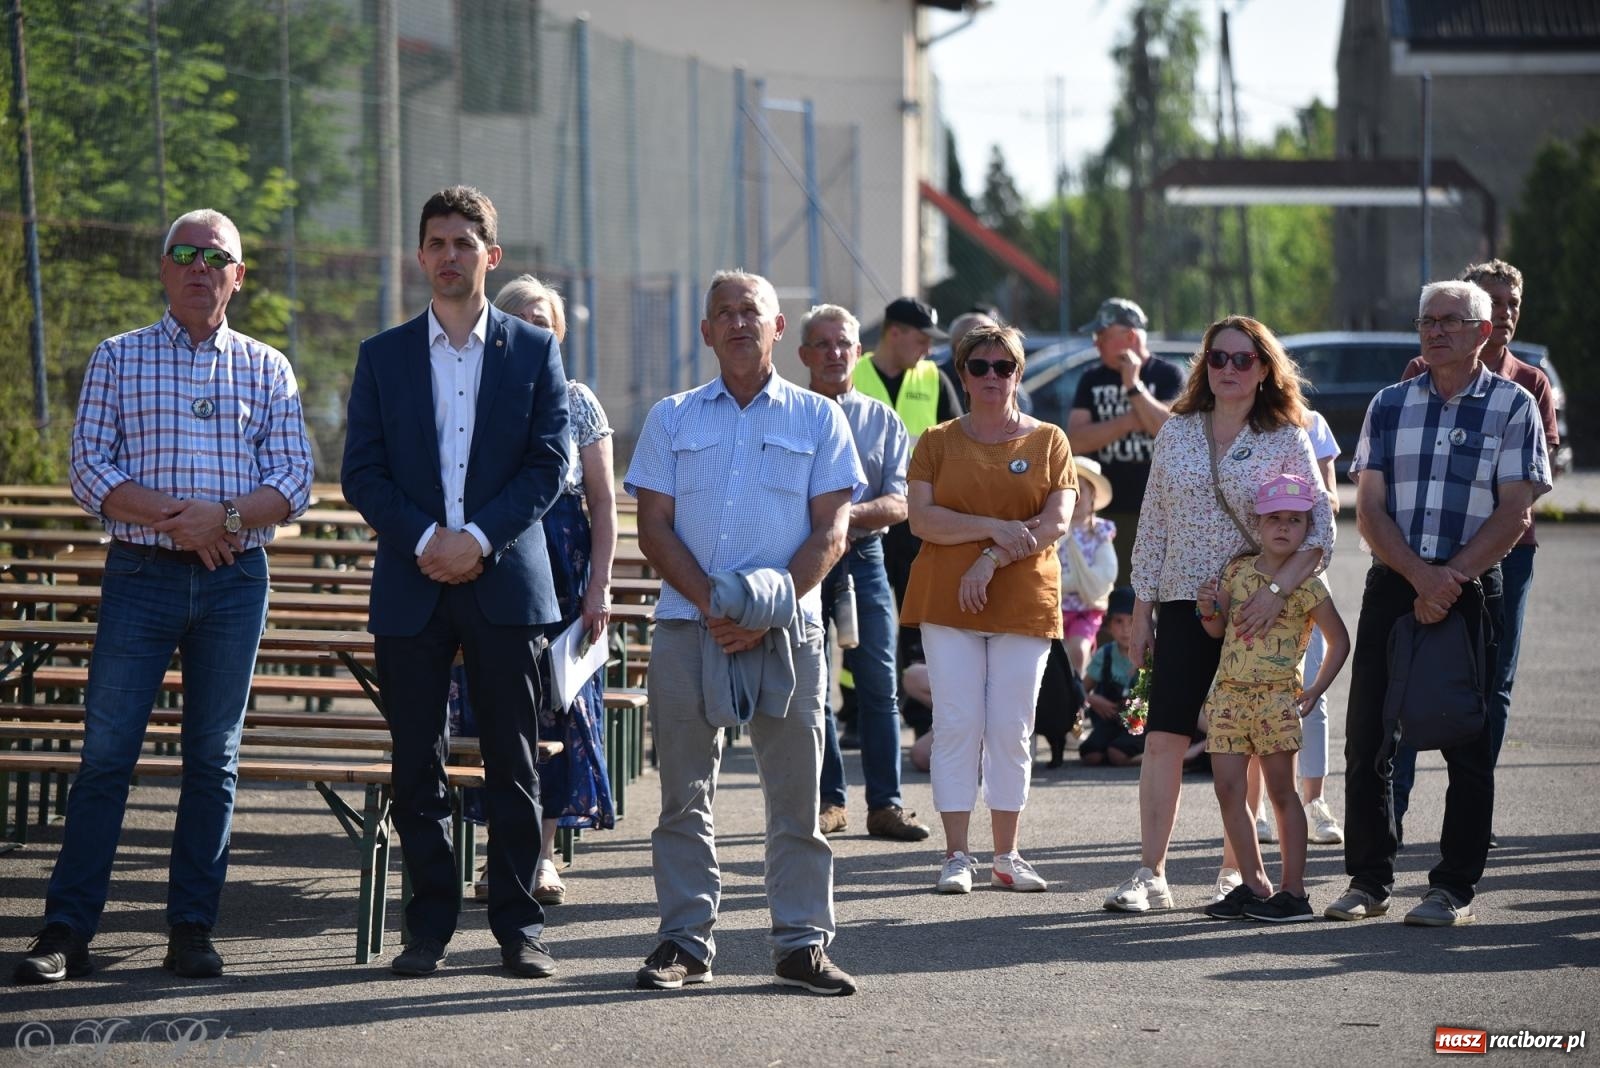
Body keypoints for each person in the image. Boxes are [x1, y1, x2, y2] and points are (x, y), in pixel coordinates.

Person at [13, 209, 314, 985]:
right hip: (141, 576)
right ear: (162, 268)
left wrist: (230, 519)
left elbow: (293, 479)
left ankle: (191, 929)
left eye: (216, 257)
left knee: (213, 760)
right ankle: (65, 930)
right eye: (183, 253)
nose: (198, 267)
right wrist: (182, 522)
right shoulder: (117, 357)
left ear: (238, 278)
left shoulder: (268, 368)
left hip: (234, 581)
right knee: (106, 758)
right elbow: (89, 468)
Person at [341, 187, 571, 979]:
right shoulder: (383, 356)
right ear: (420, 257)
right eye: (435, 242)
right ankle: (428, 927)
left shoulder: (535, 352)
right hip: (413, 583)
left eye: (463, 243)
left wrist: (474, 540)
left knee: (512, 763)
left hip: (503, 581)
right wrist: (426, 540)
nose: (448, 256)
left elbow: (549, 463)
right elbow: (361, 472)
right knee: (417, 766)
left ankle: (518, 929)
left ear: (490, 257)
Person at [626, 270, 863, 996]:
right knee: (682, 796)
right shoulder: (671, 418)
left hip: (789, 633)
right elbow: (654, 527)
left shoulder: (819, 420)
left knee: (796, 798)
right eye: (723, 313)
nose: (737, 322)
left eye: (751, 311)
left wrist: (765, 609)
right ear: (705, 332)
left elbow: (832, 530)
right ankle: (684, 943)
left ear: (778, 327)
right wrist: (712, 608)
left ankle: (799, 945)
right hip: (686, 628)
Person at [1327, 280, 1549, 927]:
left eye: (1452, 320)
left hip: (1474, 584)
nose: (1436, 330)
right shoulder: (1389, 404)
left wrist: (1447, 578)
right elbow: (1367, 510)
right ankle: (1368, 881)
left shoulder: (1513, 406)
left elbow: (1516, 511)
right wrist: (1420, 577)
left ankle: (1452, 888)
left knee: (1468, 743)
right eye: (1427, 320)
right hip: (1395, 581)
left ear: (1483, 332)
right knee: (1369, 737)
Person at [1104, 315, 1333, 914]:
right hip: (1182, 600)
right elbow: (1152, 525)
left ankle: (1238, 874)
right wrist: (1143, 611)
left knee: (1247, 743)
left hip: (1259, 609)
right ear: (1204, 366)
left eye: (1243, 359)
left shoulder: (1288, 432)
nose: (1229, 369)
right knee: (1163, 736)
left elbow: (1322, 529)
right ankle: (1150, 872)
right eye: (1218, 358)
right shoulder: (1178, 430)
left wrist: (1275, 592)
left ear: (1264, 369)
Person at [901, 323, 1076, 895]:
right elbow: (924, 520)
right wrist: (997, 529)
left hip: (1023, 601)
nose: (993, 377)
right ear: (963, 374)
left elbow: (1054, 523)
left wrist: (986, 559)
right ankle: (957, 856)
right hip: (944, 601)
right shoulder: (935, 441)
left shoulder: (1050, 441)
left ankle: (1007, 854)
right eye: (981, 367)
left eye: (1005, 367)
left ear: (1019, 373)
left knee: (1010, 727)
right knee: (957, 724)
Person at [1391, 259, 1558, 849]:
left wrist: (1474, 558)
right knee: (1407, 682)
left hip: (1506, 557)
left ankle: (1470, 816)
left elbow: (1529, 486)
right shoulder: (1418, 374)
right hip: (1424, 557)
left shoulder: (1529, 385)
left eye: (1512, 302)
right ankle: (1392, 814)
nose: (1506, 312)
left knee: (1493, 684)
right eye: (1493, 301)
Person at [472, 274, 618, 904]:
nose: (536, 330)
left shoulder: (579, 399)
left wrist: (600, 589)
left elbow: (606, 507)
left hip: (563, 566)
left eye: (546, 321)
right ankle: (494, 854)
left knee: (557, 710)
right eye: (523, 319)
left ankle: (542, 856)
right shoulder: (476, 390)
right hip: (493, 558)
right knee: (491, 710)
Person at [796, 303, 930, 843]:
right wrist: (826, 529)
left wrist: (841, 519)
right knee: (813, 683)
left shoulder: (881, 419)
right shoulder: (788, 411)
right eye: (822, 344)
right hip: (803, 558)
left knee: (879, 682)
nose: (833, 354)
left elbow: (900, 502)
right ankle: (830, 801)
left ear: (859, 351)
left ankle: (886, 805)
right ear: (804, 354)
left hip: (865, 559)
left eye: (843, 343)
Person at [1195, 474, 1351, 923]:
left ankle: (1294, 892)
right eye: (1275, 519)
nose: (1284, 528)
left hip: (1276, 700)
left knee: (1283, 791)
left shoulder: (1308, 585)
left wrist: (1315, 691)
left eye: (1295, 520)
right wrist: (1208, 607)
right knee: (1228, 790)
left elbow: (1339, 642)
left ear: (1308, 528)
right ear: (1258, 523)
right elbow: (1217, 630)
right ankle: (1254, 883)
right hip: (1228, 697)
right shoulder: (1237, 571)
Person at [1248, 408, 1344, 848]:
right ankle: (1256, 806)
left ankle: (1315, 800)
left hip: (1305, 565)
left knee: (1309, 691)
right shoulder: (1237, 420)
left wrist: (1295, 505)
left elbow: (1332, 498)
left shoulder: (1311, 423)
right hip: (1256, 562)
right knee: (1251, 687)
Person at [852, 297, 964, 609]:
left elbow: (957, 447)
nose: (928, 350)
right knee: (864, 612)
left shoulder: (933, 379)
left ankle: (915, 660)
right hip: (867, 515)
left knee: (918, 610)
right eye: (921, 340)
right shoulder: (852, 376)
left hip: (918, 514)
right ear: (894, 334)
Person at [1067, 298, 1185, 584]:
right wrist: (1131, 420)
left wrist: (1133, 386)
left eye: (1103, 336)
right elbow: (1076, 441)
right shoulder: (1091, 379)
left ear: (1130, 336)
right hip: (1106, 509)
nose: (1096, 344)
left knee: (1155, 591)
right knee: (1110, 595)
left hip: (1159, 511)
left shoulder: (1168, 375)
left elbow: (1171, 432)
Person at [1058, 456, 1118, 678]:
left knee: (1079, 650)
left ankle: (1078, 699)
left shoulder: (1100, 532)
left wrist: (1070, 583)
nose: (1075, 496)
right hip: (1053, 608)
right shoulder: (1054, 530)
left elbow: (1106, 574)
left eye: (1080, 489)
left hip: (1085, 610)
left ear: (1092, 494)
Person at [1078, 588, 1145, 768]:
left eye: (1133, 621)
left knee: (1116, 754)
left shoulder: (1152, 654)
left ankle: (1182, 757)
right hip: (1111, 722)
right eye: (1118, 621)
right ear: (1108, 625)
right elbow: (1081, 689)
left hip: (1141, 723)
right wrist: (1093, 699)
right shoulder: (1104, 655)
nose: (1126, 629)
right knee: (1090, 754)